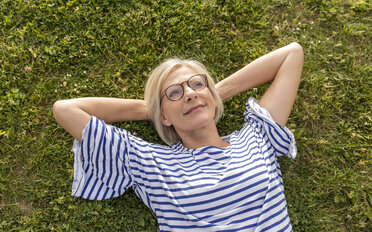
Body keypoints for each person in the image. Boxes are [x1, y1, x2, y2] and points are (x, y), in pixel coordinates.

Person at [53, 42, 304, 231]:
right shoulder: (152, 163)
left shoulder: (257, 137)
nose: (189, 94)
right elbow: (66, 110)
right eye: (174, 92)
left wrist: (213, 95)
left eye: (196, 84)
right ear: (164, 117)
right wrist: (152, 108)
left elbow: (292, 54)